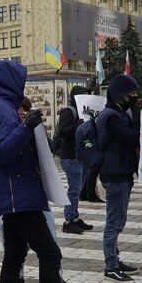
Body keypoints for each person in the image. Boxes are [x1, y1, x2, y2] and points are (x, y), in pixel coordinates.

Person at [0, 60, 97, 283]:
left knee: (15, 255)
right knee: (50, 253)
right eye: (20, 80)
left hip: (15, 194)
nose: (24, 86)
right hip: (17, 195)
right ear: (10, 81)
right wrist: (28, 126)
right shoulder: (0, 109)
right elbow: (3, 152)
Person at [15, 97, 81, 283]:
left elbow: (48, 150)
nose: (21, 113)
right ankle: (17, 280)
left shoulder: (34, 128)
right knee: (14, 246)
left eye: (24, 109)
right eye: (18, 110)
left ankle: (56, 278)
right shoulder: (4, 128)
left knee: (50, 239)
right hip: (12, 197)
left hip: (36, 194)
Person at [95, 75, 142, 283]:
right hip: (114, 174)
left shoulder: (119, 112)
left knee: (117, 219)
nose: (135, 98)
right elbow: (131, 137)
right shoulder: (112, 116)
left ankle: (115, 259)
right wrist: (139, 117)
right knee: (114, 222)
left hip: (121, 171)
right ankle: (111, 266)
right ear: (120, 96)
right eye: (131, 94)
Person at [53, 86, 93, 235]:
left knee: (77, 189)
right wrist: (78, 125)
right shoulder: (69, 111)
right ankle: (69, 221)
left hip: (80, 156)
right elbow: (63, 131)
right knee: (74, 189)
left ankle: (74, 218)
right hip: (70, 157)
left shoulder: (84, 111)